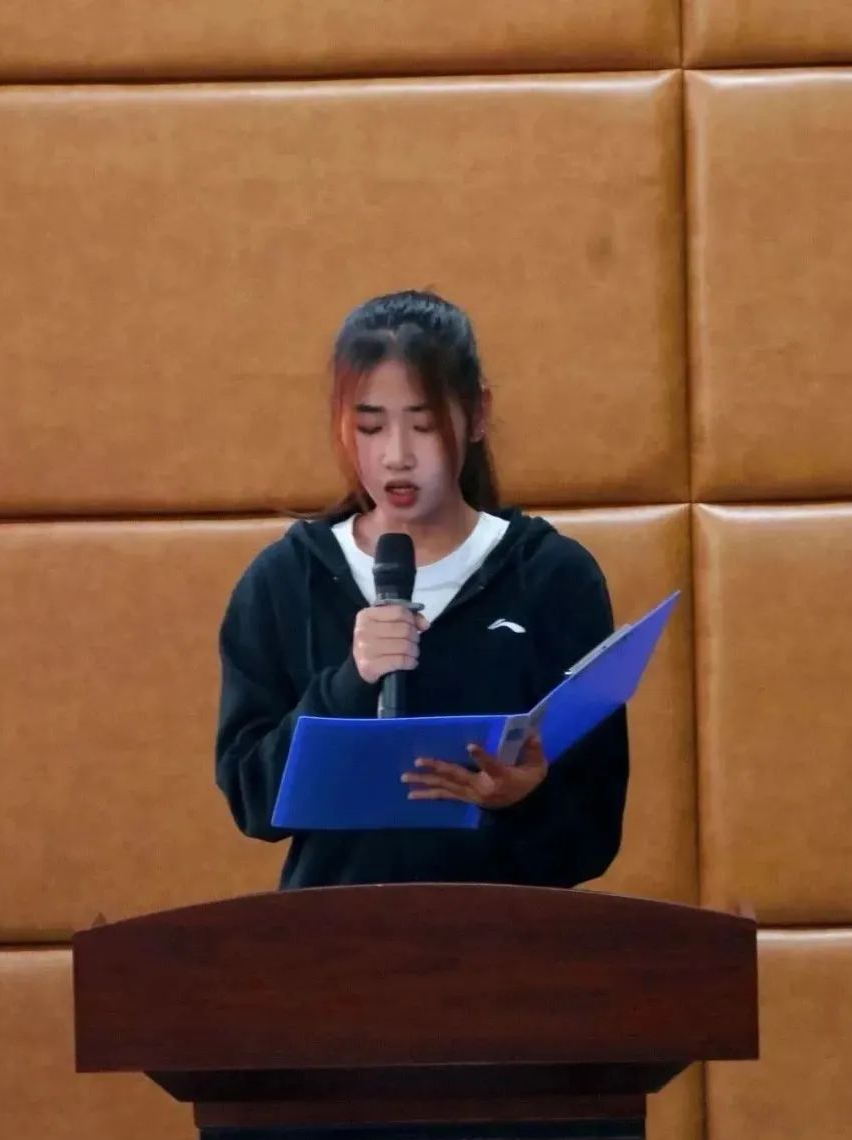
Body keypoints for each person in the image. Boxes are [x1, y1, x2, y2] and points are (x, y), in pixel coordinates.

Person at [214, 289, 629, 890]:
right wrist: (348, 683)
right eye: (370, 427)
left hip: (505, 933)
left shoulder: (551, 577)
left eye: (424, 425)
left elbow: (594, 830)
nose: (397, 457)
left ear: (478, 414)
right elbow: (252, 799)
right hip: (334, 935)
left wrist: (524, 799)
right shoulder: (285, 581)